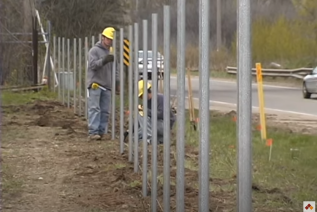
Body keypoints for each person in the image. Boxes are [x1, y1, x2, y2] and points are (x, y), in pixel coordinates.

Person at [87, 27, 119, 141]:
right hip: (96, 84)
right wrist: (104, 60)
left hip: (107, 85)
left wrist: (117, 82)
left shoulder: (112, 52)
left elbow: (115, 69)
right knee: (95, 108)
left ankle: (101, 132)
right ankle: (93, 132)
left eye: (111, 39)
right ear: (103, 37)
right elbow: (92, 65)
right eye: (108, 39)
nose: (109, 41)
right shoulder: (94, 51)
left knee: (105, 111)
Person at [126, 80, 176, 144]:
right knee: (134, 137)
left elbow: (160, 114)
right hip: (153, 126)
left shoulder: (161, 99)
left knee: (142, 118)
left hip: (163, 125)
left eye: (142, 96)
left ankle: (149, 138)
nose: (141, 98)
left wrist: (145, 110)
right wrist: (129, 131)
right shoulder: (146, 102)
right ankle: (157, 140)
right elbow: (140, 121)